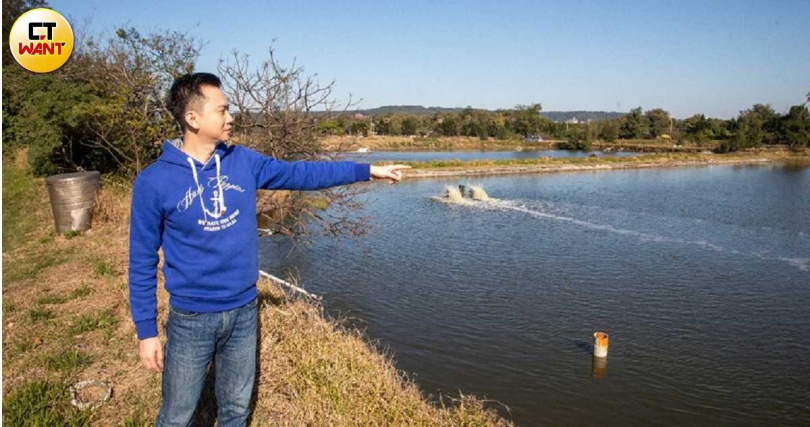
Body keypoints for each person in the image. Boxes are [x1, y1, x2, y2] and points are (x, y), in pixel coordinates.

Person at [127, 72, 409, 426]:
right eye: (223, 111)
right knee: (177, 416)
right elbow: (140, 260)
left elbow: (302, 174)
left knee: (236, 410)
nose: (232, 118)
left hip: (244, 309)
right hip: (191, 318)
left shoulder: (242, 161)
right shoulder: (154, 182)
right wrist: (147, 331)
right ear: (192, 118)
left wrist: (367, 170)